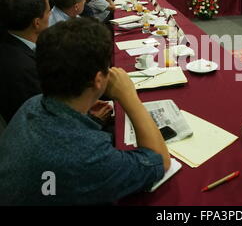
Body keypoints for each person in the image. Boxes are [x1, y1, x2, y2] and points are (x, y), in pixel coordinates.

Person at [0, 18, 170, 205]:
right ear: (98, 79)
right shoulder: (86, 156)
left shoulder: (31, 104)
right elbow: (159, 161)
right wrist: (129, 96)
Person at [0, 0, 50, 123]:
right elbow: (40, 119)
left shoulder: (10, 39)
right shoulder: (23, 68)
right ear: (37, 23)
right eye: (48, 11)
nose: (51, 15)